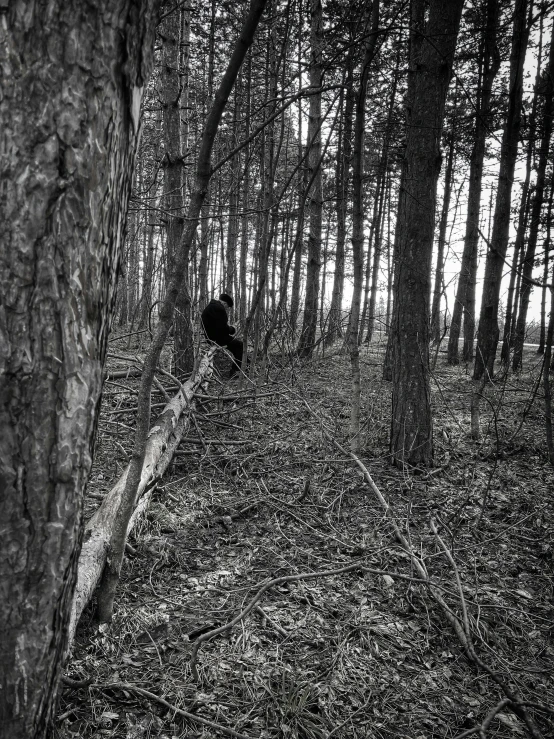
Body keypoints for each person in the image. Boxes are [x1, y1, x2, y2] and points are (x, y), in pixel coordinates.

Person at [201, 293, 243, 377]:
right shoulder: (219, 309)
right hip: (217, 338)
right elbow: (224, 329)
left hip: (210, 337)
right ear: (224, 303)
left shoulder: (210, 307)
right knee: (240, 345)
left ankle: (245, 364)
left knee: (235, 346)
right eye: (227, 307)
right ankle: (236, 371)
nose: (226, 309)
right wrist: (233, 329)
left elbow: (218, 325)